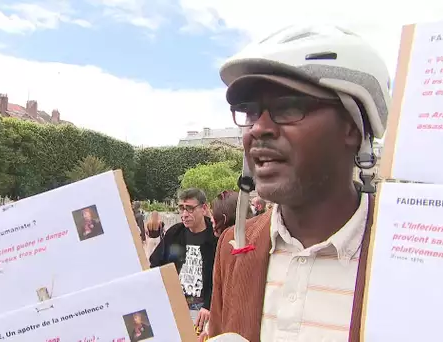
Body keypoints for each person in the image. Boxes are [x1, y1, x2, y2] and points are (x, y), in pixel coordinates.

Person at [208, 25, 391, 342]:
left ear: (352, 127)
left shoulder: (409, 253)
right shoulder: (233, 247)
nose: (259, 128)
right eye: (249, 112)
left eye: (288, 107)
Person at [149, 188, 217, 334]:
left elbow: (221, 276)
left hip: (202, 311)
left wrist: (209, 305)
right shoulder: (174, 233)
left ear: (204, 208)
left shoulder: (215, 236)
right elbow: (155, 263)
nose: (184, 214)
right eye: (181, 208)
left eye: (190, 209)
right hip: (175, 306)